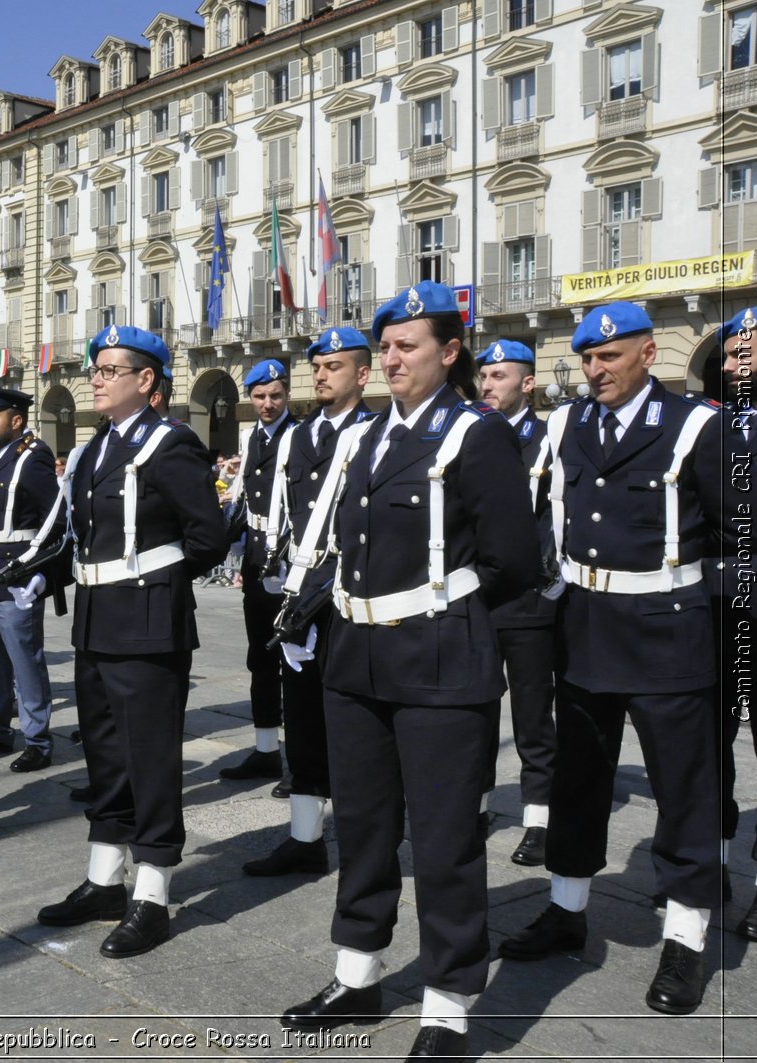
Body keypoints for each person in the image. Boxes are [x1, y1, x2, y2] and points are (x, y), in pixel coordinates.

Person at [276, 283, 539, 1059]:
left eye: (407, 346)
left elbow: (513, 561)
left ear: (450, 352)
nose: (390, 359)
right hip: (356, 656)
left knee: (446, 836)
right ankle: (356, 975)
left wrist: (445, 615)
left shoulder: (475, 435)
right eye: (384, 347)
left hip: (439, 654)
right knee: (361, 826)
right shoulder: (362, 437)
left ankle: (448, 1004)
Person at [498, 302, 740, 1016]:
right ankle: (567, 908)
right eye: (586, 356)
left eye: (608, 356)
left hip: (671, 631)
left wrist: (705, 606)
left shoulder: (700, 425)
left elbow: (740, 537)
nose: (594, 369)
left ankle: (687, 940)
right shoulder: (567, 425)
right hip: (585, 626)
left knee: (684, 790)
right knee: (578, 781)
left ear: (645, 353)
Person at [35, 326, 228, 958]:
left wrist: (152, 585)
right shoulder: (94, 450)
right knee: (106, 758)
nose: (96, 377)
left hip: (146, 625)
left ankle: (151, 891)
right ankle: (103, 881)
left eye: (112, 370)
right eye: (96, 367)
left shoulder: (171, 445)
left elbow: (207, 538)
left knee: (149, 760)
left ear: (146, 381)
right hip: (95, 621)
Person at [240, 327, 374, 878]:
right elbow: (284, 513)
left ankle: (367, 837)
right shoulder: (296, 437)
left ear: (363, 375)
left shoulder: (375, 433)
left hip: (357, 594)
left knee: (359, 719)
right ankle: (304, 837)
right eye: (317, 365)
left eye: (334, 365)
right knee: (302, 712)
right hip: (304, 595)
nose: (321, 373)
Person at [475, 339, 559, 865]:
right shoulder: (473, 435)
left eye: (499, 376)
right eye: (485, 377)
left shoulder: (548, 440)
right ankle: (476, 805)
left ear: (527, 383)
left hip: (528, 600)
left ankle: (538, 819)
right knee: (475, 711)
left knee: (532, 717)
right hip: (479, 597)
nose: (488, 386)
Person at [0, 383, 63, 773]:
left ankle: (37, 738)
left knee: (25, 660)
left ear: (16, 420)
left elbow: (54, 519)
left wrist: (36, 573)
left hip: (15, 574)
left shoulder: (32, 456)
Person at [217, 359, 296, 789]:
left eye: (275, 396)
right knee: (260, 659)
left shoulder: (298, 436)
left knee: (297, 664)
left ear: (286, 396)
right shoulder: (252, 438)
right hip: (256, 560)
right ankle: (266, 749)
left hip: (289, 563)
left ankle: (301, 758)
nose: (267, 403)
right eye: (260, 396)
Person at [715, 306, 757, 942]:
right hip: (718, 611)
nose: (736, 363)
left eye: (748, 349)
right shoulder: (715, 429)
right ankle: (712, 869)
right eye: (729, 353)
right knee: (706, 747)